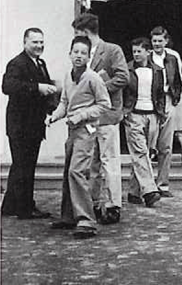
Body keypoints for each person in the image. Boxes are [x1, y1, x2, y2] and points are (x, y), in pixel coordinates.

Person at [48, 36, 111, 238]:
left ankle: (86, 220)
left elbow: (104, 104)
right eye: (76, 52)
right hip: (72, 131)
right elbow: (64, 102)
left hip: (87, 131)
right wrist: (54, 116)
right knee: (68, 170)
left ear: (88, 56)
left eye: (83, 53)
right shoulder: (68, 76)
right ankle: (68, 216)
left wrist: (81, 115)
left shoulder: (93, 78)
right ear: (70, 54)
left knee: (77, 171)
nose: (79, 56)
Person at [72, 13, 129, 225]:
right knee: (92, 163)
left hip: (106, 114)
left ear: (85, 32)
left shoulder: (112, 50)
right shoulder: (82, 54)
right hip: (88, 118)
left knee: (110, 161)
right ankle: (93, 203)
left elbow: (123, 77)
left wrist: (98, 88)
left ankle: (114, 205)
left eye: (78, 33)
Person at [1, 28, 57, 219]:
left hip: (34, 124)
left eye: (41, 42)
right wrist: (37, 87)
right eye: (35, 42)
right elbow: (8, 87)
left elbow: (44, 88)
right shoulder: (17, 63)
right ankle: (25, 209)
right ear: (25, 42)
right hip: (20, 125)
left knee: (22, 166)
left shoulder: (40, 63)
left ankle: (9, 207)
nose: (39, 46)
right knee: (23, 166)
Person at [122, 37, 163, 208]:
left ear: (148, 52)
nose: (136, 54)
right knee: (140, 152)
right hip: (134, 114)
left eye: (140, 51)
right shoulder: (128, 70)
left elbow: (160, 92)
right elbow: (122, 91)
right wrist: (124, 111)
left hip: (152, 114)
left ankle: (133, 192)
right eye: (134, 51)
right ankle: (149, 190)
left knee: (145, 153)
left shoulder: (157, 70)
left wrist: (160, 112)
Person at [149, 26, 182, 197]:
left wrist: (175, 97)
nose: (157, 44)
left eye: (160, 41)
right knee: (147, 145)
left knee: (166, 146)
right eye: (154, 41)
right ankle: (146, 186)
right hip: (151, 103)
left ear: (166, 41)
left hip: (168, 101)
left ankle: (163, 184)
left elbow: (177, 80)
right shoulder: (147, 59)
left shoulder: (172, 59)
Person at [166, 45, 182, 165]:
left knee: (166, 121)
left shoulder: (166, 55)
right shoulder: (175, 53)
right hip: (180, 87)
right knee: (179, 122)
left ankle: (157, 151)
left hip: (170, 88)